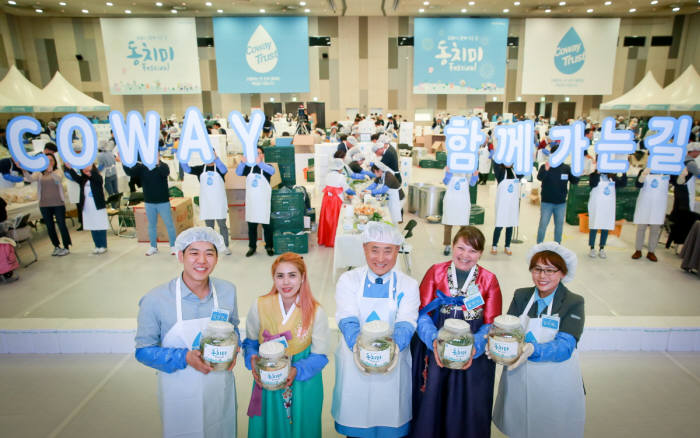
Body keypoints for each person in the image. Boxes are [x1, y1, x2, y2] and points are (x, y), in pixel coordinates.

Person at [135, 227, 240, 438]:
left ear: (217, 258)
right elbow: (143, 350)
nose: (202, 260)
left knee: (221, 429)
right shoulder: (156, 300)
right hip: (179, 392)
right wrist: (184, 357)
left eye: (209, 253)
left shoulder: (227, 291)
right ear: (180, 256)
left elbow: (234, 327)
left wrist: (235, 348)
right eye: (194, 253)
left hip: (219, 388)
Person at [410, 226, 502, 438]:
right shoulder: (436, 272)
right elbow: (422, 314)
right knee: (433, 396)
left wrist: (474, 348)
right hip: (435, 350)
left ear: (480, 253)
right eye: (461, 248)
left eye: (472, 251)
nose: (465, 255)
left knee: (467, 402)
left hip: (472, 355)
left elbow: (491, 323)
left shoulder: (489, 280)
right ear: (452, 247)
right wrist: (435, 341)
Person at [332, 222, 419, 438]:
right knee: (356, 423)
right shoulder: (349, 280)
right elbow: (347, 318)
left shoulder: (408, 285)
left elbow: (406, 322)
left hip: (393, 367)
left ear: (397, 251)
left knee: (390, 418)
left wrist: (388, 354)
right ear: (364, 249)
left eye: (388, 250)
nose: (380, 258)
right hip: (355, 366)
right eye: (374, 250)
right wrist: (362, 353)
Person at [492, 242, 585, 438]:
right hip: (519, 376)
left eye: (550, 270)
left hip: (555, 379)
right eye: (538, 269)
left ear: (562, 273)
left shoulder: (573, 302)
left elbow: (565, 346)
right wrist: (497, 342)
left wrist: (533, 350)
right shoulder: (522, 296)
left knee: (550, 425)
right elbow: (508, 329)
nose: (543, 276)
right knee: (520, 423)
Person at [243, 252, 329, 438]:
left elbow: (320, 356)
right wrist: (252, 357)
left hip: (303, 382)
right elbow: (250, 343)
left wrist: (296, 370)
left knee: (302, 425)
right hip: (269, 378)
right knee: (270, 425)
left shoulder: (316, 312)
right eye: (280, 276)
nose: (286, 282)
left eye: (292, 275)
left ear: (302, 277)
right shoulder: (260, 305)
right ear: (273, 278)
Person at [123, 159, 177, 256]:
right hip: (149, 202)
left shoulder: (163, 165)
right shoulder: (141, 167)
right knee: (151, 225)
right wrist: (124, 161)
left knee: (169, 224)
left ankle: (173, 246)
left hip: (163, 202)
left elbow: (166, 172)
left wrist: (158, 162)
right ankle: (153, 246)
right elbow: (129, 172)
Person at [181, 153, 232, 256]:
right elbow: (187, 169)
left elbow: (224, 170)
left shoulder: (219, 168)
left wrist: (216, 158)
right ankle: (211, 247)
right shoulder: (200, 169)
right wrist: (182, 158)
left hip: (219, 202)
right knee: (209, 227)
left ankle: (225, 246)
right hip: (207, 203)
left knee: (222, 225)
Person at [23, 153, 71, 256]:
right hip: (44, 205)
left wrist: (51, 172)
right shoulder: (39, 173)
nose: (50, 162)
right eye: (47, 160)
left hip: (58, 203)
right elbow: (29, 179)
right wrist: (23, 169)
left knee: (61, 224)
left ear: (55, 162)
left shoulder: (58, 171)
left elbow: (58, 180)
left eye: (52, 160)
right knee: (50, 226)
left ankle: (66, 246)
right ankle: (56, 246)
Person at [235, 146, 275, 257]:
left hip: (264, 203)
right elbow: (238, 173)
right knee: (252, 227)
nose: (257, 155)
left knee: (267, 226)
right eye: (255, 153)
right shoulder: (248, 167)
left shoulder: (267, 167)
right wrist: (242, 163)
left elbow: (272, 171)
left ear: (263, 155)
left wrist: (260, 163)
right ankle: (252, 247)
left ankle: (269, 246)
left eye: (259, 153)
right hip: (252, 203)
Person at [536, 148, 579, 244]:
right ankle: (539, 245)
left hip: (561, 203)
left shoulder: (566, 168)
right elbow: (539, 178)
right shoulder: (545, 166)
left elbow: (575, 181)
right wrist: (546, 170)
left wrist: (577, 171)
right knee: (543, 225)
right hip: (546, 202)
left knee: (559, 226)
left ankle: (557, 246)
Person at [65, 163, 110, 254]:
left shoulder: (97, 176)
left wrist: (90, 173)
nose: (85, 169)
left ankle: (103, 245)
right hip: (87, 207)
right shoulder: (83, 179)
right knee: (92, 226)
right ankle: (97, 245)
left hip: (98, 206)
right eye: (84, 167)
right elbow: (76, 177)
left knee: (100, 225)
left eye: (88, 166)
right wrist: (70, 169)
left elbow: (99, 180)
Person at [587, 166, 627, 258]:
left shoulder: (612, 177)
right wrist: (597, 172)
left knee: (605, 226)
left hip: (607, 207)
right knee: (594, 226)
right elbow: (593, 184)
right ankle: (592, 248)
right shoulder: (594, 175)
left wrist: (624, 173)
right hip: (597, 206)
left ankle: (602, 248)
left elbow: (623, 184)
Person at [318, 158, 356, 248]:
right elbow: (347, 190)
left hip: (326, 199)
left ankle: (324, 239)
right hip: (336, 201)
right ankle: (334, 240)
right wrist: (356, 192)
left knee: (326, 219)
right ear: (339, 168)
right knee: (335, 220)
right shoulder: (341, 176)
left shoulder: (328, 175)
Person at [441, 169, 479, 256]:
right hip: (451, 200)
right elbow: (445, 182)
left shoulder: (468, 168)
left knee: (464, 226)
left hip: (463, 200)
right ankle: (447, 245)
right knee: (448, 224)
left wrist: (475, 176)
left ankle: (463, 245)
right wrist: (448, 173)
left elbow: (472, 184)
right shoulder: (450, 166)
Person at [492, 163, 521, 256]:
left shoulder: (516, 172)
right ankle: (494, 245)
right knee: (499, 225)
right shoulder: (500, 172)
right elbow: (495, 163)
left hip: (512, 205)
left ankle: (507, 246)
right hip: (502, 204)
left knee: (510, 225)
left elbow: (524, 169)